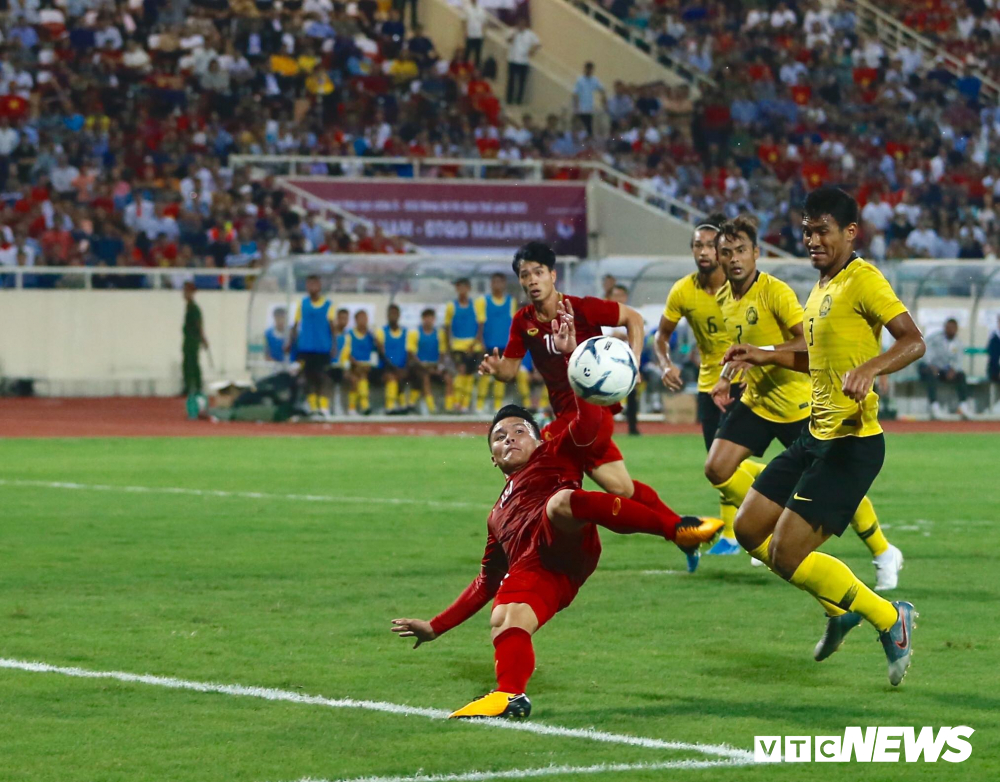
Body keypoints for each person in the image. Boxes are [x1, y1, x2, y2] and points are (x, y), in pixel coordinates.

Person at [391, 309, 722, 719]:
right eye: (499, 437)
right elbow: (485, 580)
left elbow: (587, 426)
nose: (509, 438)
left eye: (518, 432)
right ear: (492, 459)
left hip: (567, 533)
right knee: (504, 616)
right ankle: (509, 696)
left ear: (536, 438)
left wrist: (572, 365)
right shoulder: (496, 514)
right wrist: (435, 626)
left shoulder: (555, 450)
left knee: (562, 501)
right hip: (547, 571)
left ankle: (677, 531)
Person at [724, 188, 926, 686]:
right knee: (749, 531)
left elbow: (913, 340)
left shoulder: (863, 280)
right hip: (814, 437)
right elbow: (816, 357)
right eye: (807, 229)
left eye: (822, 231)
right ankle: (839, 609)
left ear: (849, 233)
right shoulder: (820, 288)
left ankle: (888, 618)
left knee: (785, 553)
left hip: (851, 444)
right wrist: (765, 353)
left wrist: (871, 369)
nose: (812, 239)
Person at [479, 242, 708, 566]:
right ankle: (683, 532)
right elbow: (510, 370)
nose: (532, 280)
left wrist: (634, 364)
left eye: (538, 272)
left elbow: (634, 318)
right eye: (525, 274)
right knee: (622, 488)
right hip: (567, 416)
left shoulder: (581, 308)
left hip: (591, 414)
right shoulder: (523, 320)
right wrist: (496, 369)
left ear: (553, 275)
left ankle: (540, 545)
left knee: (535, 451)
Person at [710, 216, 904, 590]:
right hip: (762, 401)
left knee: (817, 506)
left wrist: (869, 369)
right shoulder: (729, 298)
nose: (732, 259)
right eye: (725, 252)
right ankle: (781, 538)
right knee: (719, 472)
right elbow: (804, 352)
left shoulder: (780, 291)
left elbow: (806, 345)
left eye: (740, 251)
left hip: (803, 406)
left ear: (756, 253)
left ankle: (881, 555)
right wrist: (733, 372)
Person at [654, 215, 761, 553]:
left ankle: (735, 531)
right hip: (708, 386)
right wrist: (666, 363)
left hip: (746, 382)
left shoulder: (741, 288)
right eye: (696, 245)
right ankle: (762, 491)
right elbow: (662, 336)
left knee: (724, 464)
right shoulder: (683, 291)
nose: (703, 252)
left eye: (709, 246)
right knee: (721, 464)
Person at [476, 272, 518, 414]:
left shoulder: (510, 301)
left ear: (504, 284)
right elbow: (481, 323)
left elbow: (513, 324)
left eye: (500, 282)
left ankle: (497, 405)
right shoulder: (484, 300)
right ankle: (480, 405)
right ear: (491, 284)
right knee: (485, 373)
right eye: (494, 282)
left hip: (504, 344)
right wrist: (481, 341)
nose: (497, 285)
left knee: (500, 374)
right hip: (489, 343)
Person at [919, 318, 973, 419]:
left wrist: (954, 370)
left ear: (957, 329)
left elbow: (958, 359)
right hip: (930, 367)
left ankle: (963, 405)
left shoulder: (958, 343)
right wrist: (931, 365)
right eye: (948, 327)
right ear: (945, 328)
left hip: (944, 371)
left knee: (961, 375)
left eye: (953, 328)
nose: (950, 330)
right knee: (931, 374)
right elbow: (925, 350)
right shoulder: (935, 338)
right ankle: (933, 405)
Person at [445, 278, 485, 413]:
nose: (461, 290)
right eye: (459, 287)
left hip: (473, 345)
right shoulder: (451, 306)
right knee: (460, 370)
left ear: (468, 288)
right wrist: (448, 345)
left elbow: (480, 325)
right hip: (458, 345)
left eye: (464, 287)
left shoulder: (476, 305)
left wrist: (476, 342)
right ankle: (456, 401)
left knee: (469, 374)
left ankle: (465, 404)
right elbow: (447, 327)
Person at [604, 284, 640, 436]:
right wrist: (614, 335)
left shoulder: (632, 315)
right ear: (610, 297)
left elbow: (638, 337)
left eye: (621, 295)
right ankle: (604, 428)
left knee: (632, 395)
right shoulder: (603, 313)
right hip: (606, 361)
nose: (619, 298)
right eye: (616, 295)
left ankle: (633, 427)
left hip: (627, 361)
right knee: (604, 396)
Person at [407, 307, 452, 413]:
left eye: (431, 318)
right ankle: (431, 407)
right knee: (425, 377)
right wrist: (422, 365)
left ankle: (449, 407)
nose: (429, 321)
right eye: (426, 318)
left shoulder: (439, 334)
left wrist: (439, 366)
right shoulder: (415, 333)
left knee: (448, 378)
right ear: (423, 319)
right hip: (420, 366)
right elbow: (411, 353)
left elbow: (442, 352)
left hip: (434, 365)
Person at [376, 304, 410, 414]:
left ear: (399, 315)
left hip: (402, 368)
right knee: (392, 377)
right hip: (386, 368)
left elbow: (409, 352)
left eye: (395, 313)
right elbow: (382, 353)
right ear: (387, 315)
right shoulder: (381, 332)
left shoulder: (406, 333)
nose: (393, 316)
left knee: (405, 376)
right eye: (391, 313)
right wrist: (394, 368)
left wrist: (405, 368)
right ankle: (390, 406)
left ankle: (403, 406)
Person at [342, 310, 377, 415]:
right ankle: (362, 405)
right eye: (361, 318)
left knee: (363, 373)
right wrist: (355, 363)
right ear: (356, 320)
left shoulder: (370, 336)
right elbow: (346, 352)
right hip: (355, 365)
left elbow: (375, 352)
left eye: (365, 318)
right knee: (358, 376)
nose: (363, 321)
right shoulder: (350, 334)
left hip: (368, 366)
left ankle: (358, 406)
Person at [182, 281, 209, 419]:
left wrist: (203, 339)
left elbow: (198, 325)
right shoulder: (189, 307)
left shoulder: (194, 308)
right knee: (187, 364)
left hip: (192, 340)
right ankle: (189, 386)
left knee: (192, 364)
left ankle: (196, 387)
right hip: (188, 340)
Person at [506, 18, 540, 106]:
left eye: (523, 24)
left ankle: (519, 100)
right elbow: (508, 40)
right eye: (519, 23)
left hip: (524, 61)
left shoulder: (530, 34)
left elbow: (538, 44)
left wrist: (532, 52)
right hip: (513, 60)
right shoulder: (512, 31)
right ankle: (509, 99)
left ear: (525, 25)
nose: (521, 25)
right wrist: (514, 34)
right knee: (511, 81)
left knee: (522, 82)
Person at [572, 62, 605, 137]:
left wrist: (603, 101)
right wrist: (576, 108)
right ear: (585, 69)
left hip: (589, 109)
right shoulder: (580, 80)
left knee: (589, 129)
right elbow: (575, 94)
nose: (589, 71)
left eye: (590, 69)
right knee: (579, 128)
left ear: (592, 70)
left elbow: (602, 90)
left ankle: (588, 144)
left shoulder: (595, 80)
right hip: (581, 109)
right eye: (587, 69)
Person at [463, 0, 490, 68]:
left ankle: (476, 70)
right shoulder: (467, 8)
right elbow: (464, 21)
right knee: (467, 53)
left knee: (478, 54)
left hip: (479, 35)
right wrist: (465, 31)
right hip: (470, 34)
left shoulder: (481, 9)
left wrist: (483, 33)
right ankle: (464, 69)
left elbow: (484, 22)